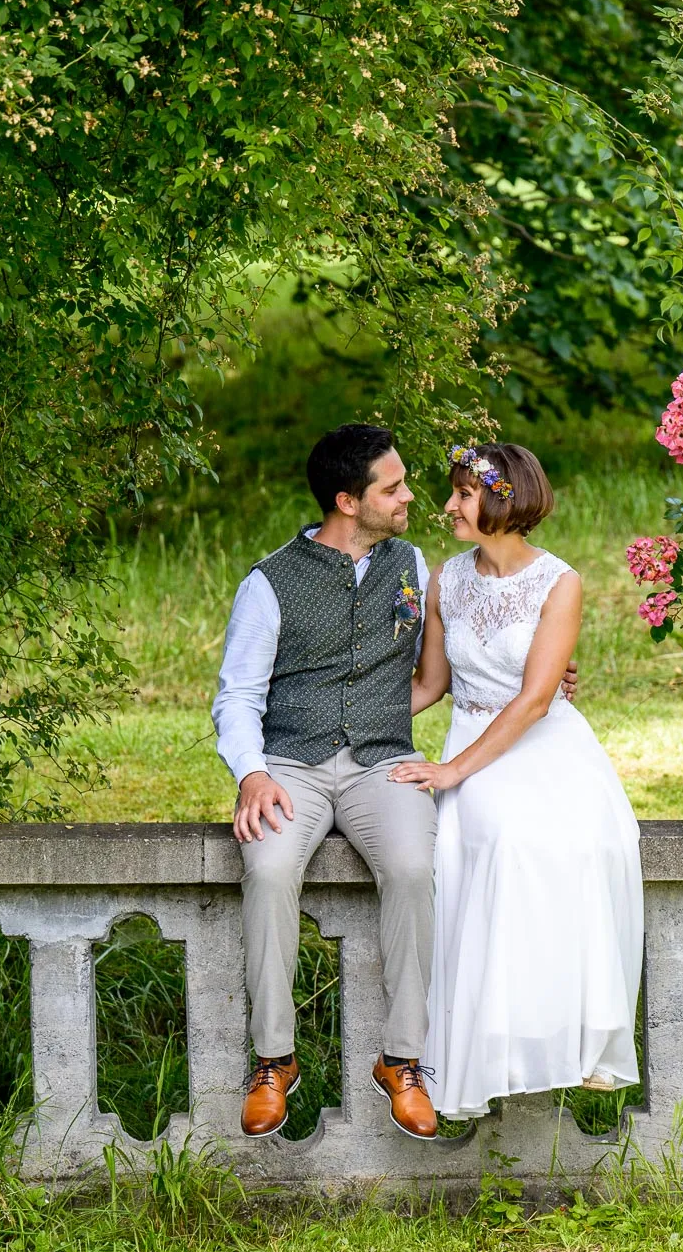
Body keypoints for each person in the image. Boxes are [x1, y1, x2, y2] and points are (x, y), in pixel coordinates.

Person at [211, 424, 577, 1140]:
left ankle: (402, 1059)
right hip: (291, 764)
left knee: (413, 866)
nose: (412, 496)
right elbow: (237, 696)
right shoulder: (269, 582)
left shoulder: (412, 565)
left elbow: (450, 663)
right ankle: (273, 1059)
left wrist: (540, 676)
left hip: (384, 762)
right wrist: (252, 773)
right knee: (270, 867)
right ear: (348, 501)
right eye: (394, 487)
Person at [388, 443, 644, 1120]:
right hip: (474, 735)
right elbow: (430, 684)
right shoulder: (445, 580)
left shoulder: (560, 582)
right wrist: (346, 715)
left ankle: (572, 1034)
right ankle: (496, 1042)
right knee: (500, 839)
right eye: (453, 492)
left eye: (463, 494)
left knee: (583, 844)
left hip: (544, 741)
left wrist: (452, 771)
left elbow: (534, 700)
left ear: (503, 500)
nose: (448, 506)